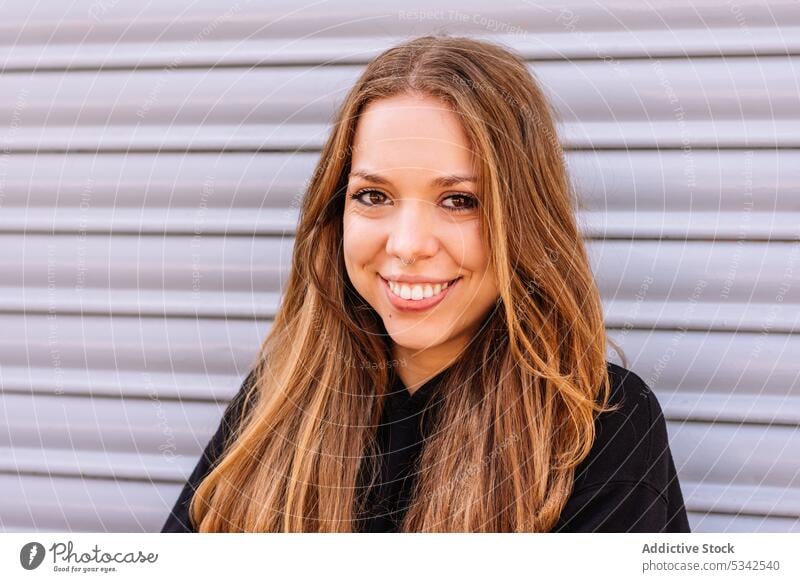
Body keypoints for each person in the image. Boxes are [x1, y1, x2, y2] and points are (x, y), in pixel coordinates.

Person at [162, 34, 690, 533]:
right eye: (374, 196)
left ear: (523, 221)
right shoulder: (277, 396)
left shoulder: (599, 426)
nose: (408, 244)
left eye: (459, 200)